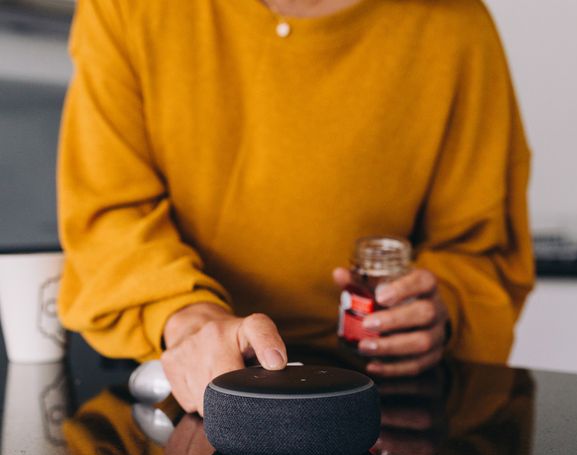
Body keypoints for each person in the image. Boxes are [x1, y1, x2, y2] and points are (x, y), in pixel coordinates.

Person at [57, 0, 534, 414]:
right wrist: (194, 323)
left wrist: (442, 306)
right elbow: (108, 216)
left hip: (384, 405)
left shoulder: (456, 27)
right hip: (170, 379)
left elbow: (482, 250)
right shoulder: (126, 8)